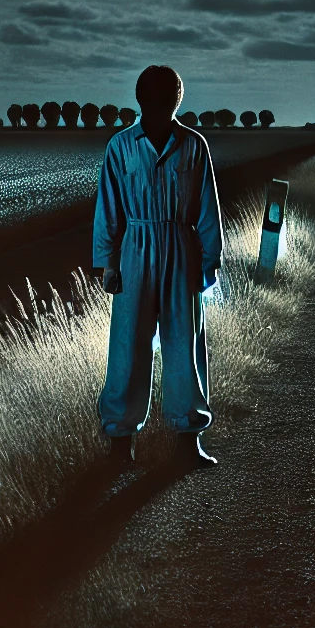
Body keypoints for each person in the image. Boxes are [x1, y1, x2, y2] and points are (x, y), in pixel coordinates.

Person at [93, 65, 223, 466]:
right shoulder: (121, 147)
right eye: (153, 96)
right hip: (134, 249)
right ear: (141, 99)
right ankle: (120, 444)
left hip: (181, 248)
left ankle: (189, 440)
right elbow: (108, 208)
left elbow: (207, 208)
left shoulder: (194, 145)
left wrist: (209, 262)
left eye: (168, 96)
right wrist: (107, 262)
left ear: (177, 100)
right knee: (128, 347)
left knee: (184, 345)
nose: (161, 103)